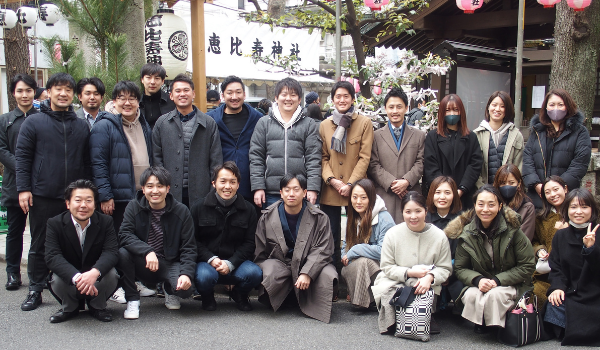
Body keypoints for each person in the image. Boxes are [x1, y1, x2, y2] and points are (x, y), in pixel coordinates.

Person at [16, 72, 91, 311]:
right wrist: (24, 189)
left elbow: (87, 161)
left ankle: (70, 287)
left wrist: (89, 194)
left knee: (74, 244)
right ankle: (35, 289)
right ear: (48, 92)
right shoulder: (34, 122)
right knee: (39, 243)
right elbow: (23, 158)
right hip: (43, 193)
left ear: (73, 95)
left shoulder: (80, 125)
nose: (63, 93)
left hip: (74, 197)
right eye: (58, 88)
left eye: (68, 89)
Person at [447, 185, 534, 333]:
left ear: (500, 206)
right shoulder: (467, 233)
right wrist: (477, 280)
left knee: (495, 294)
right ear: (474, 206)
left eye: (491, 204)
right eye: (480, 204)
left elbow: (527, 266)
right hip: (483, 282)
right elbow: (461, 268)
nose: (485, 209)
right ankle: (483, 323)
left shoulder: (514, 231)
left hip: (511, 283)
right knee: (471, 294)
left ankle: (498, 325)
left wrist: (497, 281)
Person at [254, 174, 338, 323]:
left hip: (310, 263)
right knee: (269, 269)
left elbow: (323, 249)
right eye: (287, 190)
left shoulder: (320, 217)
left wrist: (307, 272)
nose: (291, 194)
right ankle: (284, 297)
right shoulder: (267, 216)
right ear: (281, 193)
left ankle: (311, 301)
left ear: (305, 192)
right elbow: (261, 251)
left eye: (296, 189)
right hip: (281, 263)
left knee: (328, 273)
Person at [117, 166, 196, 319]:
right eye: (150, 186)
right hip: (143, 262)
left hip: (170, 262)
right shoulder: (133, 206)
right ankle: (133, 299)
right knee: (122, 253)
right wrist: (147, 251)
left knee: (185, 291)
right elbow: (124, 234)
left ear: (168, 188)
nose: (155, 191)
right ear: (143, 189)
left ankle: (169, 288)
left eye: (160, 186)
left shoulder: (181, 211)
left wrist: (186, 274)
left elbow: (189, 247)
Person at [371, 191, 452, 334]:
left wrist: (430, 277)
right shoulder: (392, 234)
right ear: (402, 212)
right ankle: (396, 320)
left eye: (418, 211)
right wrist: (408, 273)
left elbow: (445, 268)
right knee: (389, 294)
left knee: (421, 292)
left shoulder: (439, 236)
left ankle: (424, 318)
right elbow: (386, 266)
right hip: (395, 280)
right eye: (408, 212)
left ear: (426, 211)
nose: (413, 216)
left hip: (424, 282)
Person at [45, 180, 119, 323]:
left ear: (95, 204)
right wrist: (78, 277)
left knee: (112, 274)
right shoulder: (54, 224)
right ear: (68, 203)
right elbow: (52, 256)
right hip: (71, 274)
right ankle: (69, 308)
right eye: (78, 200)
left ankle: (97, 307)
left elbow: (111, 252)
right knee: (57, 277)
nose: (83, 205)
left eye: (88, 200)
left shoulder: (106, 222)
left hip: (95, 274)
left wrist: (94, 272)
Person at [192, 161, 262, 311]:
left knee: (255, 273)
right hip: (208, 263)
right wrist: (211, 259)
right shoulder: (198, 208)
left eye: (232, 182)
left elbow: (250, 243)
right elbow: (192, 241)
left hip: (236, 264)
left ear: (238, 185)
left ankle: (240, 294)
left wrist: (231, 263)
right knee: (203, 277)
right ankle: (208, 297)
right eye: (222, 181)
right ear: (214, 183)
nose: (227, 186)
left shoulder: (249, 209)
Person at [320, 80, 374, 274]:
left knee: (357, 235)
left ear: (353, 98)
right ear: (332, 99)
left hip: (356, 189)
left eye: (346, 96)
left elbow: (364, 157)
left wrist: (351, 184)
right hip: (331, 189)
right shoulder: (325, 125)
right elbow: (323, 157)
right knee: (331, 236)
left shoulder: (364, 123)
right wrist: (333, 180)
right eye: (338, 96)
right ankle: (333, 278)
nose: (342, 100)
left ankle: (353, 277)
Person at [90, 81, 152, 234]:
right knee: (119, 239)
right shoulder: (104, 126)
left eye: (132, 98)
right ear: (114, 101)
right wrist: (105, 196)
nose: (127, 103)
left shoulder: (144, 124)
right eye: (122, 98)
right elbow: (98, 164)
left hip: (142, 195)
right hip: (117, 199)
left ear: (138, 101)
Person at [250, 77, 321, 209]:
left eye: (293, 95)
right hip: (271, 192)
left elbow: (314, 158)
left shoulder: (309, 124)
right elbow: (256, 157)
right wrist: (258, 186)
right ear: (276, 98)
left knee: (303, 229)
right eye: (284, 94)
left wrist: (312, 187)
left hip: (300, 191)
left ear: (299, 99)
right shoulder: (264, 123)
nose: (288, 98)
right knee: (272, 228)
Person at [153, 73, 222, 208]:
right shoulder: (162, 123)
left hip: (201, 191)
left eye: (186, 90)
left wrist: (213, 190)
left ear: (193, 93)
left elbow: (216, 160)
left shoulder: (209, 123)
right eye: (177, 91)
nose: (182, 94)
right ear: (171, 96)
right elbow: (156, 158)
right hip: (170, 190)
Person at [544, 188, 600, 346]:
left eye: (584, 207)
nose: (578, 212)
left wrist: (591, 250)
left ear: (592, 209)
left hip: (596, 294)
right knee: (553, 305)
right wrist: (557, 287)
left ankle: (574, 329)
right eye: (573, 207)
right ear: (566, 210)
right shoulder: (561, 236)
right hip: (572, 292)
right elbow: (556, 268)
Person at [522, 88, 591, 209]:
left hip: (566, 195)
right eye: (552, 104)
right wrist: (537, 184)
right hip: (537, 197)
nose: (556, 108)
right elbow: (527, 159)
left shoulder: (579, 131)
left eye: (560, 105)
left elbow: (580, 163)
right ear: (546, 107)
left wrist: (557, 188)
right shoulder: (537, 130)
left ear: (568, 106)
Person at [0, 73, 37, 291]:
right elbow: (2, 150)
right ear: (14, 93)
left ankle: (38, 271)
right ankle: (13, 272)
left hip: (39, 184)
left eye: (29, 90)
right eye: (20, 91)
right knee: (15, 231)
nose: (24, 95)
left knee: (39, 231)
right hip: (14, 184)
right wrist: (23, 167)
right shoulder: (5, 120)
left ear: (35, 92)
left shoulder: (42, 117)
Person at [368, 87, 425, 223]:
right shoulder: (375, 135)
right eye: (391, 107)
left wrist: (406, 181)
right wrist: (392, 183)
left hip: (410, 194)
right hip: (384, 194)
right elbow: (373, 164)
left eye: (399, 107)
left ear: (406, 108)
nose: (395, 111)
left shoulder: (419, 135)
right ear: (385, 109)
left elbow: (421, 162)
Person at [207, 76, 263, 202]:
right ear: (222, 96)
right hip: (221, 187)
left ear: (244, 94)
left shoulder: (258, 119)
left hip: (250, 185)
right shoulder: (210, 119)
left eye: (238, 92)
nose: (234, 97)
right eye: (230, 93)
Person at [341, 179, 394, 309]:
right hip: (357, 265)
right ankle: (366, 300)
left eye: (363, 197)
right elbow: (345, 246)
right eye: (355, 197)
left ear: (371, 198)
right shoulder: (352, 217)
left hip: (383, 267)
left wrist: (355, 250)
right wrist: (345, 255)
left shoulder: (384, 218)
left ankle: (364, 302)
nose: (358, 201)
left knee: (364, 261)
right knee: (358, 263)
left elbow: (384, 251)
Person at [423, 94, 483, 209]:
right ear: (442, 113)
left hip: (465, 196)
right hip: (439, 197)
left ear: (461, 112)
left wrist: (461, 189)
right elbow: (430, 166)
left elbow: (475, 165)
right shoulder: (432, 137)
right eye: (447, 110)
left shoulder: (471, 137)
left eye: (456, 110)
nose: (452, 114)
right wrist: (445, 192)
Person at [425, 176, 463, 308]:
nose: (442, 197)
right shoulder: (423, 219)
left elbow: (464, 256)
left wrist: (447, 272)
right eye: (438, 192)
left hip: (454, 270)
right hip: (428, 270)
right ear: (431, 195)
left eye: (447, 193)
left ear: (454, 195)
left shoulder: (463, 221)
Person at [474, 91, 524, 187]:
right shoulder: (477, 134)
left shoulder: (516, 135)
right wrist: (483, 189)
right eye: (494, 105)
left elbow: (519, 166)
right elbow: (474, 166)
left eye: (502, 106)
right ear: (488, 107)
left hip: (508, 192)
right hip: (483, 192)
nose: (497, 109)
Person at [532, 175, 568, 305]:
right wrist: (539, 250)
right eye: (547, 192)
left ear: (565, 189)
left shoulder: (576, 213)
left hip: (571, 272)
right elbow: (534, 242)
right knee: (536, 293)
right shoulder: (541, 218)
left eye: (556, 189)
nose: (553, 195)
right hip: (547, 273)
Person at [492, 163, 535, 241]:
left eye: (511, 183)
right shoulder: (492, 206)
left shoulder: (527, 207)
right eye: (503, 183)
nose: (507, 186)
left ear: (519, 183)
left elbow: (524, 239)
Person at [139, 63, 176, 128]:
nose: (152, 82)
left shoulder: (172, 102)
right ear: (142, 80)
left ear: (162, 81)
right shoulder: (136, 103)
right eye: (148, 78)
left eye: (157, 78)